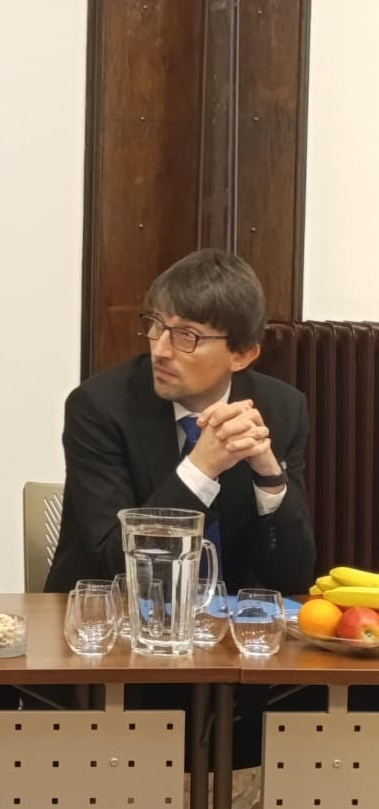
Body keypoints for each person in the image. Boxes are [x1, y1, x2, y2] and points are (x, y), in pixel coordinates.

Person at [46, 248, 312, 594]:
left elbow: (294, 580)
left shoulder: (281, 409)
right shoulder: (99, 407)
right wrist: (200, 469)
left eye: (187, 335)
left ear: (242, 355)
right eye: (157, 324)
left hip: (225, 621)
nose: (160, 350)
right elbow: (117, 565)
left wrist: (270, 478)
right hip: (109, 617)